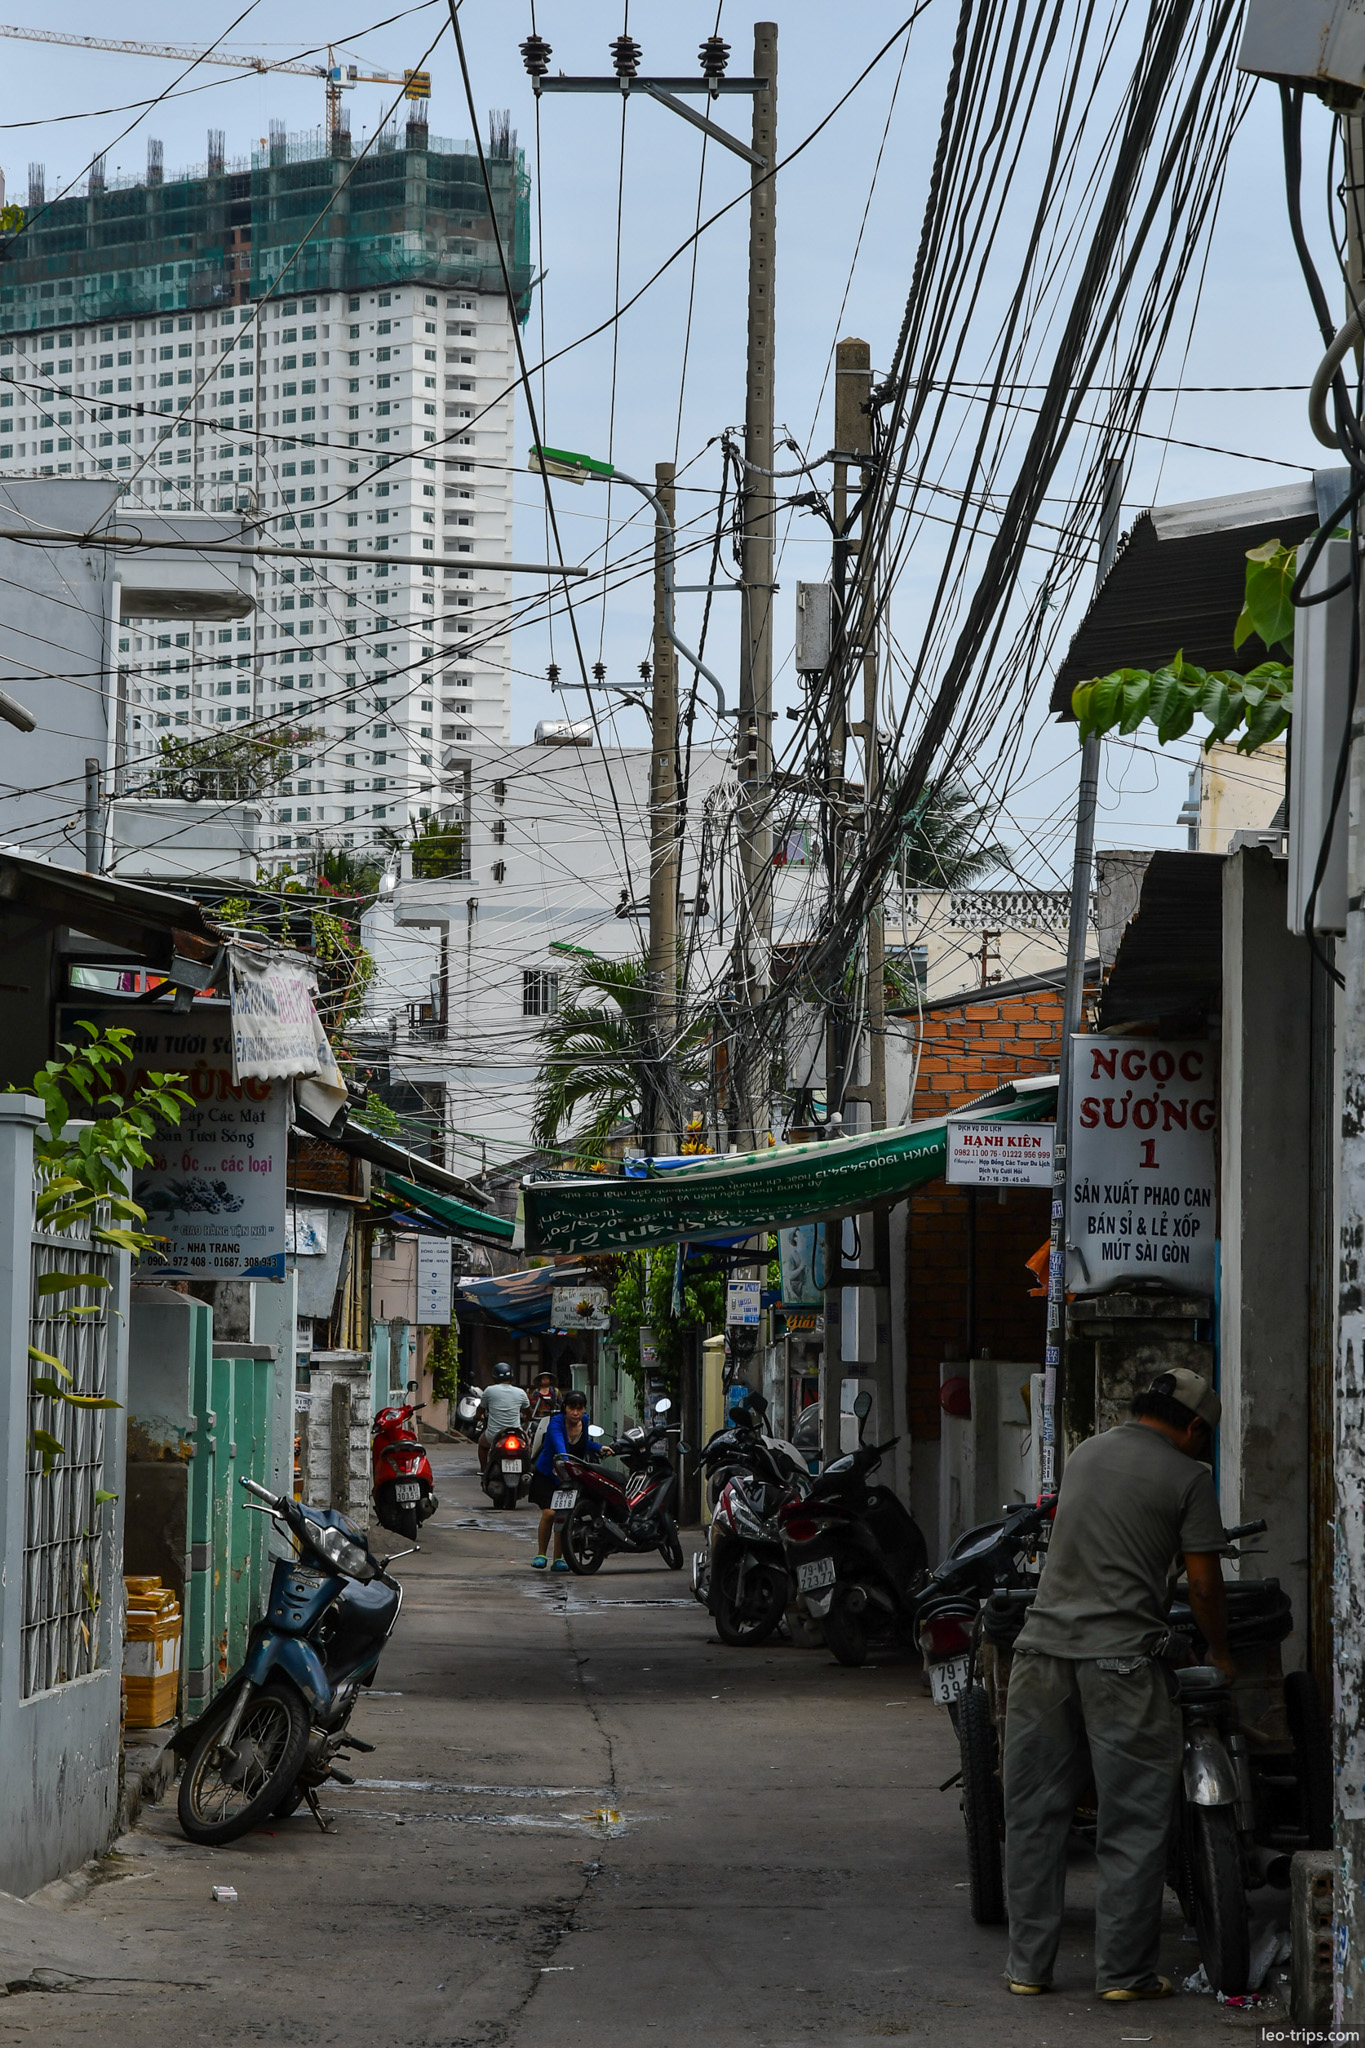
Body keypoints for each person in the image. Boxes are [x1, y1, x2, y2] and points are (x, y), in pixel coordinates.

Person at [1002, 1368, 1232, 2004]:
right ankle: (1124, 1976)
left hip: (1040, 1656)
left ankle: (1028, 1968)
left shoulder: (1086, 1453)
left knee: (1033, 1817)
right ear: (1193, 1427)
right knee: (1130, 1821)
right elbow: (1205, 1586)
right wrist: (1219, 1650)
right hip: (1122, 1666)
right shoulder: (1191, 1479)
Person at [529, 1389, 597, 1573]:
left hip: (568, 1476)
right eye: (571, 1408)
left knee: (564, 1515)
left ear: (584, 1410)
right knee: (550, 1513)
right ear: (564, 1408)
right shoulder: (556, 1423)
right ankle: (541, 1553)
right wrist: (564, 1459)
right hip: (548, 1474)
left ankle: (558, 1559)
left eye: (579, 1408)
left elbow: (583, 1443)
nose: (575, 1413)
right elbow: (559, 1443)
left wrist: (600, 1447)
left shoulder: (584, 1422)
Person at [476, 1362, 529, 1472]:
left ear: (494, 1376)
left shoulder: (489, 1390)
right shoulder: (520, 1392)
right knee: (528, 1446)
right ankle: (527, 1470)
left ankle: (484, 1471)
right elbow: (529, 1413)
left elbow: (480, 1409)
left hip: (494, 1435)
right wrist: (526, 1418)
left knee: (482, 1444)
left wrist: (477, 1416)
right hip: (516, 1433)